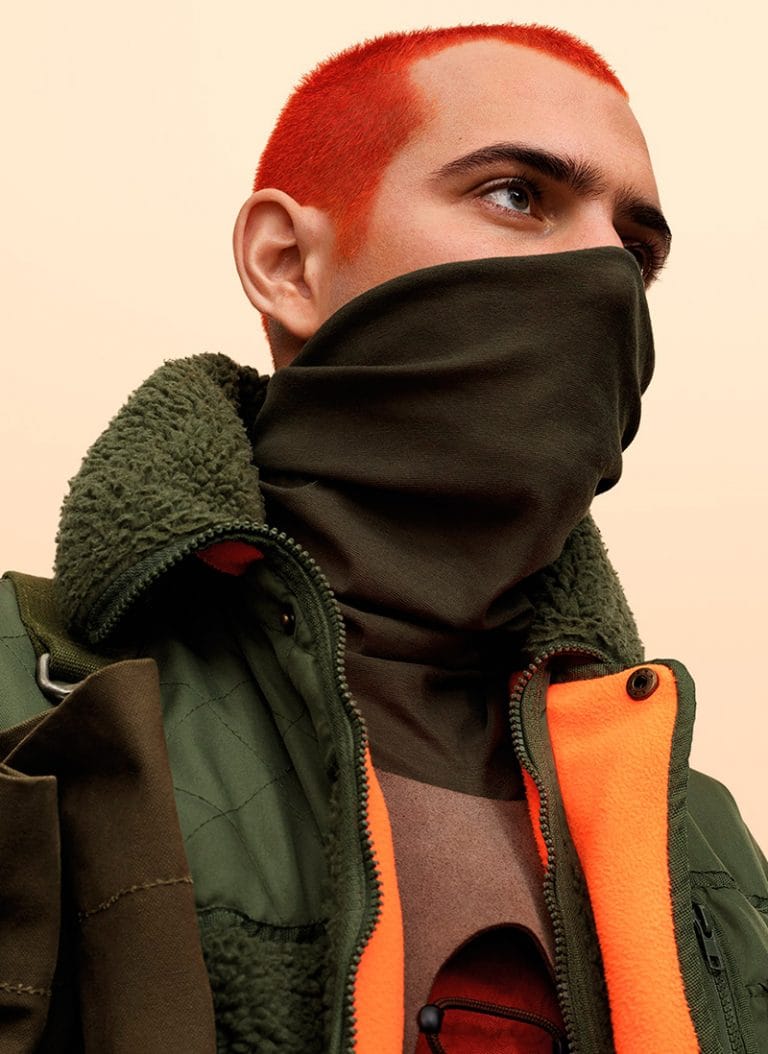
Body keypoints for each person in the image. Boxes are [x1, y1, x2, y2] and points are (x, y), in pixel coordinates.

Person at [0, 21, 765, 1054]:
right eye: (517, 194)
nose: (605, 277)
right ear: (287, 263)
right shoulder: (28, 707)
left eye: (637, 251)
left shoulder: (699, 837)